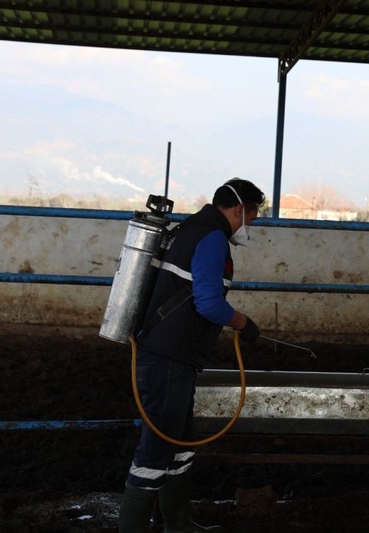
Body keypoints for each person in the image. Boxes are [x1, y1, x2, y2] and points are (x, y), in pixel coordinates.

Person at [119, 178, 265, 532]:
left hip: (172, 355)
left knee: (180, 447)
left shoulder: (191, 229)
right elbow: (209, 303)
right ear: (237, 210)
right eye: (252, 217)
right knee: (156, 453)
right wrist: (243, 323)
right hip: (169, 357)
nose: (250, 226)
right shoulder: (212, 238)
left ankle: (178, 525)